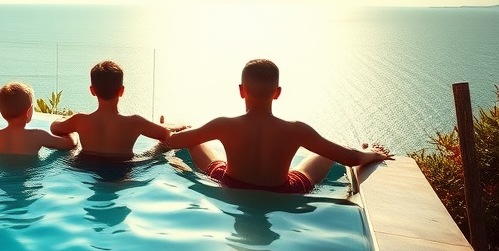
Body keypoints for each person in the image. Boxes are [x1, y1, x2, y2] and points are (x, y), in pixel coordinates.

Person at [166, 59, 392, 194]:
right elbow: (350, 158)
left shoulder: (224, 125)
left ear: (241, 90)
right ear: (277, 93)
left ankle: (189, 130)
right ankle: (365, 147)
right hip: (284, 190)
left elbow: (174, 141)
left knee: (194, 140)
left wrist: (178, 130)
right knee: (326, 154)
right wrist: (372, 154)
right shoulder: (296, 131)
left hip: (230, 182)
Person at [49, 60, 186, 159]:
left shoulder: (80, 120)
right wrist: (174, 127)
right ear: (121, 91)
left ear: (92, 91)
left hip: (86, 169)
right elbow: (166, 135)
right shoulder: (135, 122)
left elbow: (54, 128)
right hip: (123, 173)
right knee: (162, 147)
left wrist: (64, 119)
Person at [0, 82, 78, 155]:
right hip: (28, 174)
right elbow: (69, 144)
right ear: (28, 112)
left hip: (0, 177)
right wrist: (71, 132)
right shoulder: (38, 136)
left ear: (1, 112)